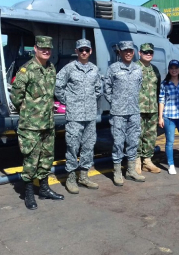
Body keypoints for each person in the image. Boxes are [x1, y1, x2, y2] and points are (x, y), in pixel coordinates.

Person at [10, 35, 64, 210]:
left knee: (46, 158)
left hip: (48, 123)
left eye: (48, 49)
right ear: (35, 49)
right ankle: (28, 193)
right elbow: (16, 97)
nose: (46, 51)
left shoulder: (51, 69)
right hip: (31, 124)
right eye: (42, 48)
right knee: (31, 160)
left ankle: (44, 188)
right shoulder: (26, 70)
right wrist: (28, 112)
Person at [55, 39, 102, 194]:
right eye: (81, 50)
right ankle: (70, 177)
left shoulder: (94, 69)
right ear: (76, 51)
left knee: (88, 146)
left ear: (90, 52)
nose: (84, 52)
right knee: (73, 145)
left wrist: (89, 102)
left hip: (90, 115)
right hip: (74, 115)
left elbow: (98, 89)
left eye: (86, 50)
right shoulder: (69, 68)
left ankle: (83, 176)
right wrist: (68, 101)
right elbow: (58, 86)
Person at [104, 41, 145, 186]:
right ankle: (117, 171)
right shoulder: (113, 68)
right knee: (118, 142)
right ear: (120, 52)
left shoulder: (137, 69)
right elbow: (107, 88)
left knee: (133, 141)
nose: (128, 53)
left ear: (133, 52)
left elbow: (139, 86)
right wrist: (114, 102)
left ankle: (131, 170)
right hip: (118, 112)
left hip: (134, 111)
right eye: (125, 51)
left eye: (130, 51)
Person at [136, 42, 162, 174]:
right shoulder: (134, 68)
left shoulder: (155, 70)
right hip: (137, 108)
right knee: (136, 134)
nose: (148, 54)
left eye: (150, 52)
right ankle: (136, 161)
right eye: (145, 52)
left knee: (151, 135)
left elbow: (158, 91)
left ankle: (147, 160)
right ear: (139, 53)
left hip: (152, 108)